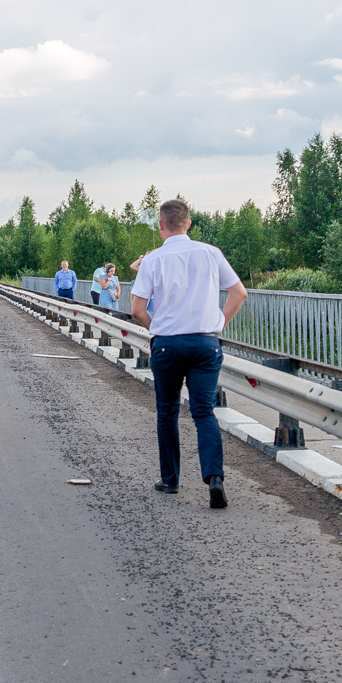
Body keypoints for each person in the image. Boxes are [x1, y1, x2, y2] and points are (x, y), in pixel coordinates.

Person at [130, 199, 248, 510]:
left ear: (161, 225)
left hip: (168, 344)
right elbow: (239, 293)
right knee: (203, 412)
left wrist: (159, 329)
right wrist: (219, 323)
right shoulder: (210, 253)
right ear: (189, 223)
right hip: (204, 343)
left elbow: (136, 309)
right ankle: (214, 478)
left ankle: (170, 480)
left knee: (167, 412)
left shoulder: (153, 260)